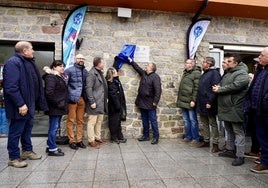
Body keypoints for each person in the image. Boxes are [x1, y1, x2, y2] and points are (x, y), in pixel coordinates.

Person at [3, 41, 48, 168]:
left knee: (27, 129)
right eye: (32, 49)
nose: (33, 51)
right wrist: (21, 104)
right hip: (20, 106)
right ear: (25, 51)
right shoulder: (13, 63)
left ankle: (27, 151)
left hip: (29, 104)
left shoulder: (28, 62)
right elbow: (11, 87)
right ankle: (13, 158)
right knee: (16, 131)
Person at [212, 54, 249, 166]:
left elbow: (236, 85)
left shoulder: (242, 73)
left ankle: (240, 156)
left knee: (238, 132)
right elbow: (223, 85)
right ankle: (230, 150)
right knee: (229, 130)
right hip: (225, 108)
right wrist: (217, 87)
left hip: (234, 107)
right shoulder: (229, 72)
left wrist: (220, 89)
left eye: (229, 61)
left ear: (236, 63)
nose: (226, 63)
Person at [244, 47, 268, 173]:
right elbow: (253, 88)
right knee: (261, 136)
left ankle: (265, 163)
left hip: (265, 110)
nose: (259, 57)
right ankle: (265, 160)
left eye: (262, 55)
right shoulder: (260, 70)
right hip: (257, 110)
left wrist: (265, 103)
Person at [128, 58, 161, 144]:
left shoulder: (155, 77)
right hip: (142, 101)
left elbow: (158, 90)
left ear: (151, 68)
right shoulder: (144, 74)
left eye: (148, 66)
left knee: (153, 120)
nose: (146, 67)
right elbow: (137, 68)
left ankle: (155, 137)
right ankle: (146, 136)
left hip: (150, 102)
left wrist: (155, 101)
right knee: (144, 120)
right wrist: (131, 61)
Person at [43, 60, 68, 156]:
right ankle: (52, 149)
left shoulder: (58, 77)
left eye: (63, 66)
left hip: (58, 107)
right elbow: (49, 93)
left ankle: (50, 146)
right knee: (54, 128)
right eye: (59, 66)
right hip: (55, 108)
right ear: (53, 67)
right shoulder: (51, 77)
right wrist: (58, 104)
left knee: (54, 127)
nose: (62, 67)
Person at [196, 57, 221, 152]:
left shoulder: (215, 74)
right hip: (202, 103)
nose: (202, 63)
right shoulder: (205, 73)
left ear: (209, 64)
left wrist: (210, 102)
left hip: (209, 103)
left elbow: (215, 89)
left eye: (204, 62)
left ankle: (215, 144)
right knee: (204, 123)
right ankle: (206, 141)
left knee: (212, 123)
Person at [177, 59, 203, 147]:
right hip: (183, 100)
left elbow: (196, 88)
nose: (186, 64)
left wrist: (193, 100)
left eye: (187, 63)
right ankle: (188, 136)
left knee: (193, 120)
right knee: (186, 120)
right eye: (186, 63)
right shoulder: (186, 73)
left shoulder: (196, 73)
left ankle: (195, 138)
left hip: (190, 101)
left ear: (192, 64)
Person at [65, 54, 88, 150]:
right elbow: (64, 84)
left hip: (82, 99)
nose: (81, 60)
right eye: (79, 58)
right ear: (75, 59)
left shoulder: (86, 71)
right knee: (70, 120)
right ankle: (71, 140)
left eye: (83, 58)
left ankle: (79, 140)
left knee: (80, 121)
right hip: (72, 99)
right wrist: (68, 97)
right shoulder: (69, 70)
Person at [85, 57, 108, 148]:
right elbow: (88, 88)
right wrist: (91, 101)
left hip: (101, 102)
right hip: (94, 102)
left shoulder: (100, 73)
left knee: (99, 121)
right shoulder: (91, 74)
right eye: (103, 63)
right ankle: (91, 140)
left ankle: (97, 137)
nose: (104, 64)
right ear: (98, 64)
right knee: (92, 122)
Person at [105, 67, 127, 144]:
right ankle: (114, 137)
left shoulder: (116, 80)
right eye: (115, 72)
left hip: (118, 104)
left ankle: (119, 136)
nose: (117, 73)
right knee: (113, 122)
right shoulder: (110, 83)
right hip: (113, 106)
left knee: (118, 122)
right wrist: (118, 106)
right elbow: (113, 96)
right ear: (112, 74)